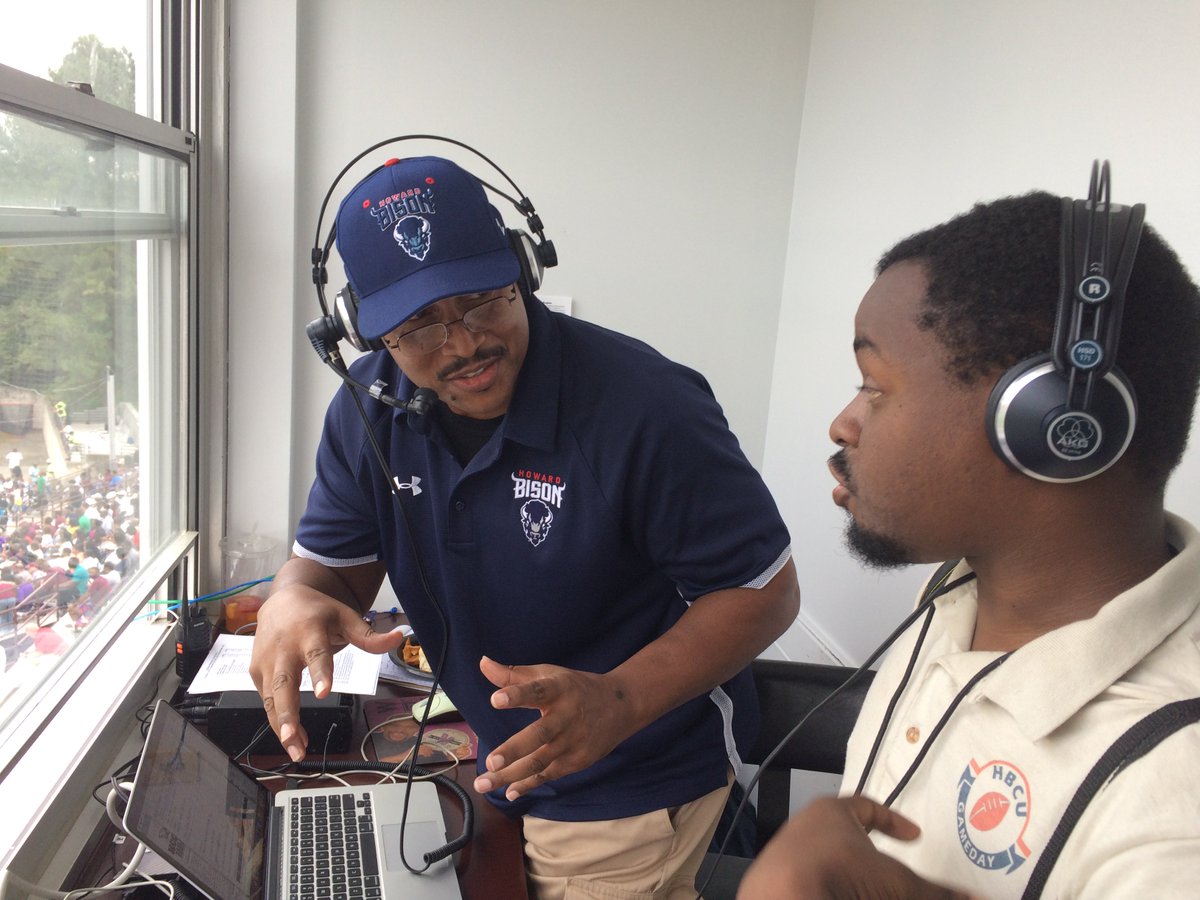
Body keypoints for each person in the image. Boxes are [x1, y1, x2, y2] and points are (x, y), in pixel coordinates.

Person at [250, 154, 799, 898]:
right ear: (363, 330)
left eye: (482, 300)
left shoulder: (648, 406)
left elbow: (764, 592)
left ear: (523, 270)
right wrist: (294, 595)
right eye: (419, 326)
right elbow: (331, 569)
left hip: (631, 770)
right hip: (501, 755)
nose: (464, 342)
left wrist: (621, 701)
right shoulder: (368, 412)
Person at [740, 188, 1200, 898]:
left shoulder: (1175, 800)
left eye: (873, 385)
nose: (842, 422)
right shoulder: (962, 588)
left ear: (1046, 426)